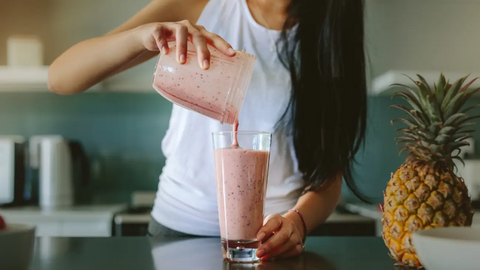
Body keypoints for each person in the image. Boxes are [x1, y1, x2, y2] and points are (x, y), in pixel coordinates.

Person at [48, 0, 368, 261]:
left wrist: (297, 222)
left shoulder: (331, 37)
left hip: (269, 246)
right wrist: (143, 36)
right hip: (176, 234)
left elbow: (329, 177)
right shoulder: (203, 6)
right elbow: (61, 78)